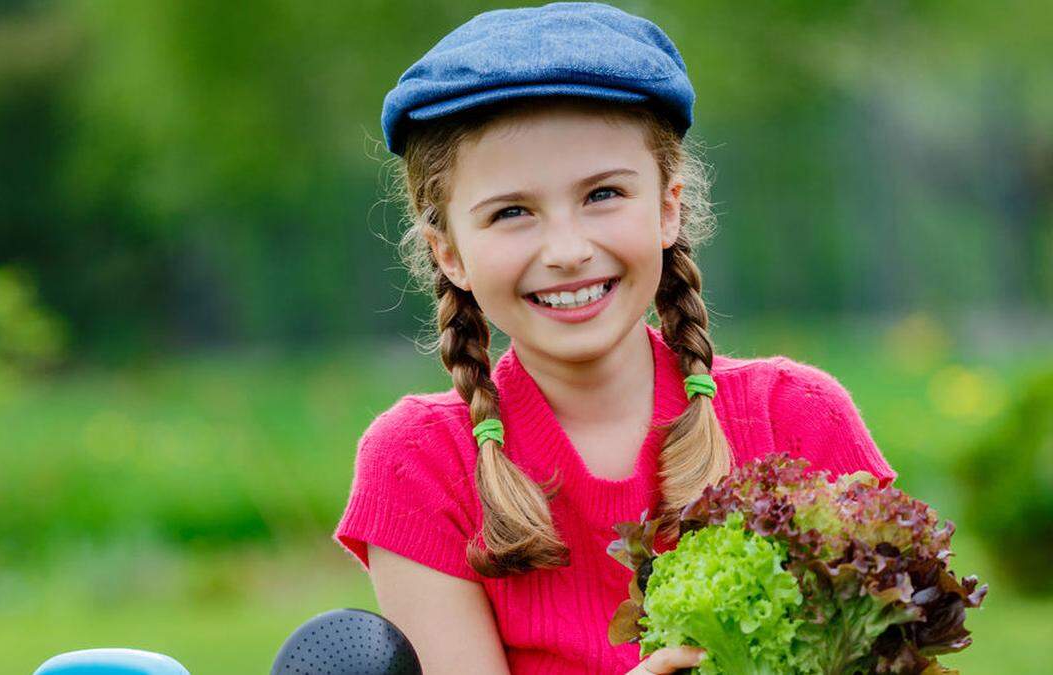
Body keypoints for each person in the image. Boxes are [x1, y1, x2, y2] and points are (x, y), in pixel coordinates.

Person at [332, 3, 897, 673]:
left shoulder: (796, 417)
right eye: (512, 212)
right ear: (448, 252)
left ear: (667, 206)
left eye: (602, 194)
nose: (568, 250)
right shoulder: (420, 464)